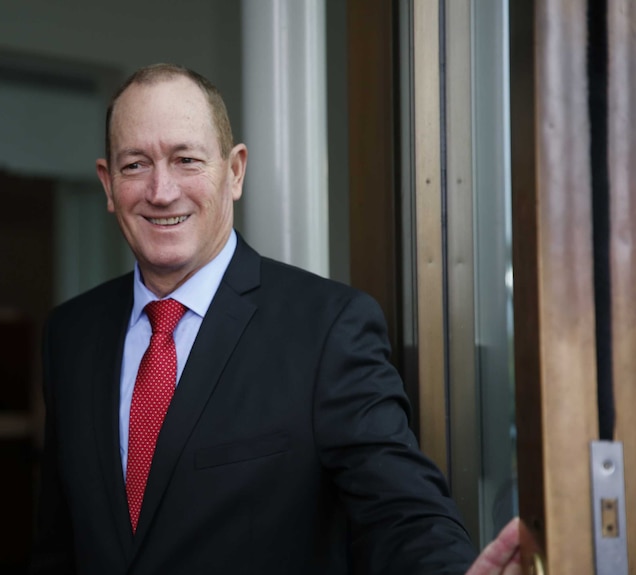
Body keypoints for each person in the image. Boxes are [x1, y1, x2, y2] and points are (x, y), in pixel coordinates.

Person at [30, 63, 521, 574]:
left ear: (235, 170)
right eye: (135, 165)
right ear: (108, 184)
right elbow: (58, 546)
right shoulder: (70, 335)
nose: (161, 190)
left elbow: (401, 514)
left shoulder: (328, 329)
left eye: (186, 159)